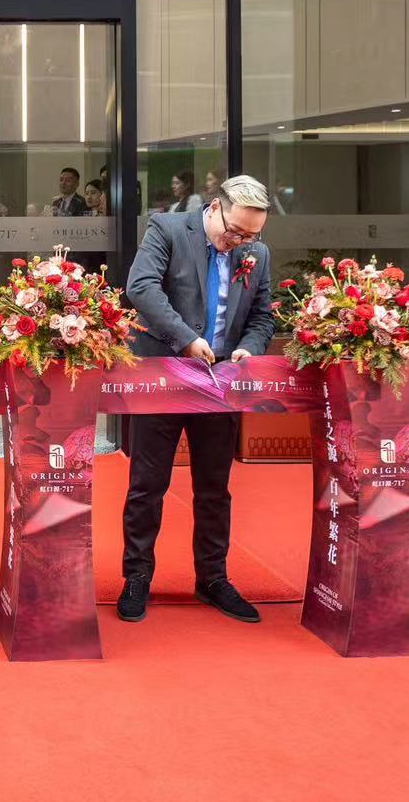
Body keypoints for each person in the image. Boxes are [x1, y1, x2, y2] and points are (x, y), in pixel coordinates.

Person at [118, 174, 276, 626]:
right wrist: (186, 338)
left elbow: (262, 316)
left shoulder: (257, 253)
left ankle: (212, 578)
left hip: (220, 380)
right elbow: (142, 288)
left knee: (214, 487)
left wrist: (249, 348)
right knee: (148, 484)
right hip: (163, 374)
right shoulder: (168, 228)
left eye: (250, 236)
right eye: (234, 232)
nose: (239, 243)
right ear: (215, 207)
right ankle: (137, 577)